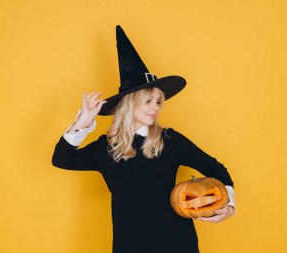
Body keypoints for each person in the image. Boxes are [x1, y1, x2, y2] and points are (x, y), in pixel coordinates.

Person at [52, 25, 235, 253]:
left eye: (158, 101)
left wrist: (229, 206)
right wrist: (83, 123)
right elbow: (61, 159)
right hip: (130, 245)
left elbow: (215, 168)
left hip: (179, 244)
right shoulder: (107, 148)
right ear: (129, 103)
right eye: (148, 101)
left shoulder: (170, 140)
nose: (155, 108)